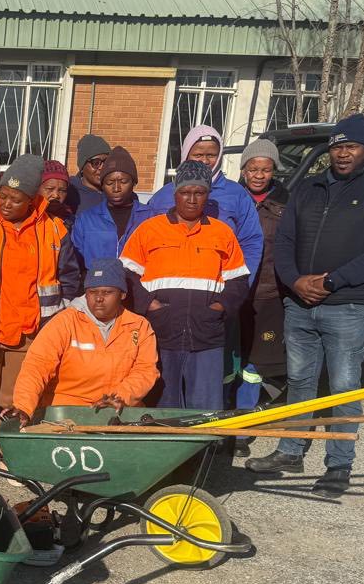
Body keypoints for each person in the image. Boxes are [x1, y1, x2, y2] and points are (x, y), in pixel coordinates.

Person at [246, 114, 364, 495]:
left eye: (351, 146)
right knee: (300, 379)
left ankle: (338, 465)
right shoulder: (308, 187)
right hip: (300, 302)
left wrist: (333, 281)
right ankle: (291, 449)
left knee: (344, 386)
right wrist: (295, 280)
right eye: (337, 147)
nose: (343, 153)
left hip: (348, 304)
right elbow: (284, 241)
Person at [0, 155, 80, 476]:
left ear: (32, 199)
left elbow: (69, 277)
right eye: (4, 196)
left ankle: (8, 455)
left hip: (31, 331)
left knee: (17, 399)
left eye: (16, 199)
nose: (7, 204)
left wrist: (57, 321)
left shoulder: (54, 229)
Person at [120, 160, 249, 409]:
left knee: (205, 409)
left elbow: (239, 281)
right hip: (160, 332)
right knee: (161, 406)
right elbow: (127, 274)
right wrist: (151, 306)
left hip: (207, 334)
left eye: (199, 193)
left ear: (207, 195)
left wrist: (219, 308)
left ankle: (203, 438)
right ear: (175, 193)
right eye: (185, 192)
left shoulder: (222, 233)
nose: (192, 199)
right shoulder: (149, 230)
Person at [10, 259, 159, 421]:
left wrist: (120, 396)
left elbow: (145, 370)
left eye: (107, 292)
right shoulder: (65, 322)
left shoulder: (139, 326)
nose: (99, 298)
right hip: (66, 414)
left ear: (122, 294)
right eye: (92, 292)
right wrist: (23, 406)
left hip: (118, 412)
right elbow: (37, 365)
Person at [129, 123, 264, 277]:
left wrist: (239, 285)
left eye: (211, 155)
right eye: (198, 155)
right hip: (166, 280)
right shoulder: (164, 195)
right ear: (186, 154)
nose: (204, 161)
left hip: (217, 284)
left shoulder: (236, 194)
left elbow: (250, 242)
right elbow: (142, 240)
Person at [233, 138, 290, 452]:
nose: (258, 175)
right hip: (232, 291)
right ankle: (221, 422)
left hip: (267, 293)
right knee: (229, 360)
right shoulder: (231, 197)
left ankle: (242, 428)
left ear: (273, 171)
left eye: (265, 169)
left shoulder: (286, 203)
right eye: (253, 168)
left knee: (254, 365)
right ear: (243, 169)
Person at [69, 146, 140, 272]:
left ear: (133, 182)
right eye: (109, 182)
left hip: (139, 283)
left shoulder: (150, 217)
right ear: (103, 184)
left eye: (123, 181)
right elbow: (73, 262)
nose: (116, 188)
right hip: (95, 283)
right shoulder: (86, 219)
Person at [69, 134, 111, 214]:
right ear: (82, 167)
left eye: (106, 161)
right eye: (96, 163)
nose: (102, 167)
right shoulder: (70, 195)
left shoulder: (117, 192)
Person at [39, 159, 80, 225]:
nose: (56, 195)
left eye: (62, 190)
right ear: (37, 188)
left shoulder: (72, 223)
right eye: (50, 189)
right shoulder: (25, 218)